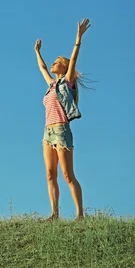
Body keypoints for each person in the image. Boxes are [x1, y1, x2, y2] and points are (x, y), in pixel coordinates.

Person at [34, 18, 91, 221]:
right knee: (50, 174)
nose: (52, 64)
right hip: (47, 132)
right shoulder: (51, 85)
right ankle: (54, 214)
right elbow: (42, 68)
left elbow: (74, 60)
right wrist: (37, 52)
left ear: (64, 67)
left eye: (57, 62)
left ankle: (80, 215)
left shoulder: (67, 83)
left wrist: (78, 38)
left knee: (68, 175)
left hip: (61, 131)